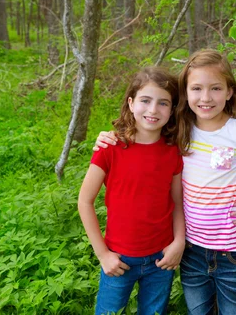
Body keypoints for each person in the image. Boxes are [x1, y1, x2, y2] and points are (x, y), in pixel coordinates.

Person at [94, 50, 236, 314]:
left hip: (235, 252)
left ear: (229, 91)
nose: (205, 98)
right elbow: (144, 131)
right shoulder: (181, 128)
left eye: (215, 88)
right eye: (196, 88)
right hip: (192, 250)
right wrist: (110, 136)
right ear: (185, 94)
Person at [78, 67, 185, 315]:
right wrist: (103, 254)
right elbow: (85, 201)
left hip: (161, 258)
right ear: (131, 102)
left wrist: (179, 241)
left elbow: (177, 202)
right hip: (119, 258)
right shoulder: (110, 147)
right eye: (145, 100)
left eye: (163, 103)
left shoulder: (173, 151)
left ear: (172, 110)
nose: (153, 110)